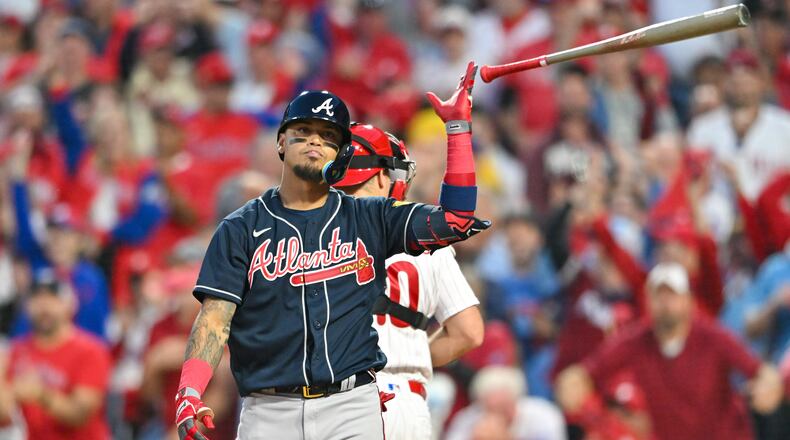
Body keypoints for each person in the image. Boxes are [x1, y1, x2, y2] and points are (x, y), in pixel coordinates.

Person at [174, 61, 489, 440]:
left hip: (352, 405)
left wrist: (456, 129)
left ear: (340, 154)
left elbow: (456, 219)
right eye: (303, 131)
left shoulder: (369, 217)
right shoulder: (240, 228)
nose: (314, 141)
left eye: (327, 136)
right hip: (268, 410)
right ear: (280, 141)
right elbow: (213, 320)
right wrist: (190, 391)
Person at [332, 122, 485, 440]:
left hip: (335, 396)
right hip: (405, 399)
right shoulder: (426, 234)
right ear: (380, 176)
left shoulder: (306, 234)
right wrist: (408, 354)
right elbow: (469, 332)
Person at [555, 263, 784, 440]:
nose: (665, 303)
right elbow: (587, 372)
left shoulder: (712, 337)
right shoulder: (637, 340)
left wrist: (768, 387)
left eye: (672, 295)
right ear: (648, 300)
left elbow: (760, 371)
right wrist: (572, 383)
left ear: (688, 301)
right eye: (658, 295)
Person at [1, 273, 113, 440]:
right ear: (27, 306)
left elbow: (80, 414)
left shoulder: (91, 351)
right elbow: (5, 414)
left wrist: (42, 395)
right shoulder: (15, 350)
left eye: (53, 299)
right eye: (37, 299)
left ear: (71, 305)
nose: (44, 307)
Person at [444, 366, 566, 440]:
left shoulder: (544, 415)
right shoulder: (469, 418)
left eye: (501, 407)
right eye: (490, 408)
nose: (496, 414)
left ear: (516, 399)